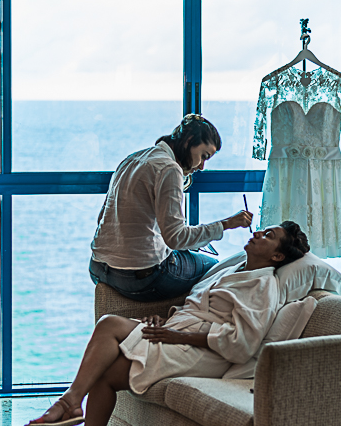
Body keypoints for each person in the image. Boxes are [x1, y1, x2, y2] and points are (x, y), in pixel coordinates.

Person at [25, 221, 310, 426]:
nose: (258, 234)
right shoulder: (234, 269)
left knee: (107, 367)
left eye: (269, 236)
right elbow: (198, 307)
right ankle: (73, 413)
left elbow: (242, 343)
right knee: (108, 325)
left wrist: (179, 335)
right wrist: (168, 321)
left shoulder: (263, 286)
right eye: (262, 230)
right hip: (180, 333)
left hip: (205, 353)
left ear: (277, 258)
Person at [90, 114, 253, 301]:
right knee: (217, 267)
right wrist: (226, 224)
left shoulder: (132, 159)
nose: (201, 166)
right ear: (189, 141)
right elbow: (176, 239)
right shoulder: (169, 168)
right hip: (138, 278)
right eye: (203, 156)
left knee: (182, 253)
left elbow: (103, 217)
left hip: (97, 267)